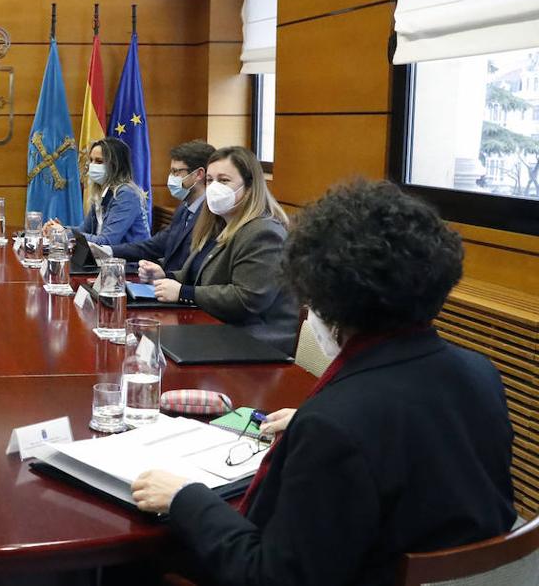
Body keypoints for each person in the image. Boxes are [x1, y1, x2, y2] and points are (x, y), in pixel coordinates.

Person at [132, 180, 516, 586]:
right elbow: (406, 436)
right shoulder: (480, 372)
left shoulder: (334, 425)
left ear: (323, 290)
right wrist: (317, 426)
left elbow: (270, 576)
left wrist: (186, 497)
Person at [139, 145, 298, 343]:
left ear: (249, 188)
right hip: (215, 327)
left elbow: (247, 299)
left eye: (223, 180)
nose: (214, 187)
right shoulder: (220, 223)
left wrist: (183, 292)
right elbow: (203, 275)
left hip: (253, 339)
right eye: (210, 180)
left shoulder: (264, 232)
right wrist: (165, 276)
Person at [110, 139, 214, 272]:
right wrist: (108, 251)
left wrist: (163, 274)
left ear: (198, 174)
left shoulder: (212, 214)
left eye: (176, 172)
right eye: (171, 171)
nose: (171, 177)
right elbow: (156, 245)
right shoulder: (184, 208)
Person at [45, 137, 149, 247]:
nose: (92, 166)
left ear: (116, 165)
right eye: (91, 160)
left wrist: (65, 233)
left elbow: (106, 242)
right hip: (107, 259)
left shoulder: (126, 194)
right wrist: (59, 229)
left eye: (99, 161)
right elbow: (85, 230)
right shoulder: (102, 192)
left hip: (133, 262)